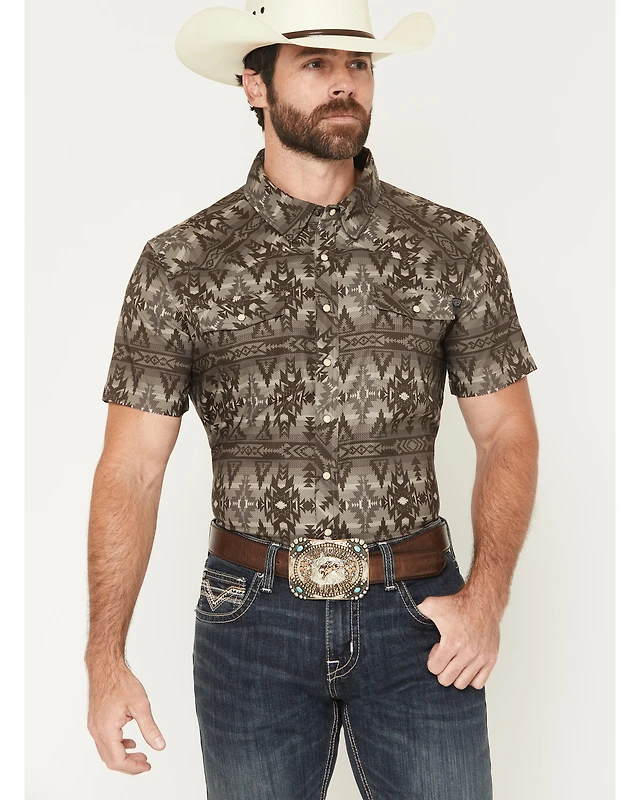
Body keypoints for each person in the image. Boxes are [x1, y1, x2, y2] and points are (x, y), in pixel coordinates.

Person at [85, 2, 539, 798]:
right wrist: (104, 658)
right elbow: (132, 468)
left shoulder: (452, 246)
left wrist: (487, 599)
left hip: (420, 619)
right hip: (250, 624)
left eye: (358, 64)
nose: (343, 84)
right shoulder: (182, 265)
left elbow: (507, 433)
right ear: (254, 85)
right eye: (315, 64)